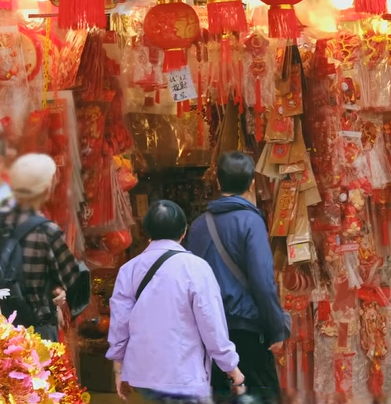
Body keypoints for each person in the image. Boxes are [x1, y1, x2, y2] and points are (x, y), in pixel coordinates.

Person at [107, 200, 247, 403]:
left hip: (142, 374)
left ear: (147, 232)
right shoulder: (196, 268)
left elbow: (120, 324)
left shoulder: (129, 270)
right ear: (184, 231)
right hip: (184, 375)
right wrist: (231, 367)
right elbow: (211, 323)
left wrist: (119, 368)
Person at [185, 151, 290, 403]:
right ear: (251, 183)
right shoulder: (250, 222)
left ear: (219, 182)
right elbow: (263, 283)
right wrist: (277, 329)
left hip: (210, 335)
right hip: (247, 332)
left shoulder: (199, 225)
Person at [0, 153, 87, 341]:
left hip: (5, 329)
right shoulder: (46, 231)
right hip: (38, 330)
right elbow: (72, 279)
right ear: (44, 189)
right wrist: (60, 291)